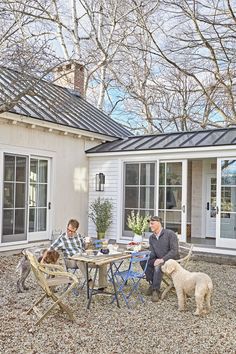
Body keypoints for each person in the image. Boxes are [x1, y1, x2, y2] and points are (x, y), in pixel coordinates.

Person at [42, 219, 107, 290]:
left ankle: (102, 286)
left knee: (102, 263)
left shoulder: (79, 236)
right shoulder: (62, 238)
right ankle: (90, 282)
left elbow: (85, 247)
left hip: (84, 258)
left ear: (76, 230)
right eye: (68, 230)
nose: (69, 232)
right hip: (71, 261)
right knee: (79, 261)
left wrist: (88, 244)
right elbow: (49, 249)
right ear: (67, 227)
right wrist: (42, 261)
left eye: (72, 231)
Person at [142, 216, 180, 302]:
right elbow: (152, 253)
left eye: (152, 223)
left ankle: (156, 290)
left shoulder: (170, 234)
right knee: (143, 262)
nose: (150, 225)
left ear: (158, 223)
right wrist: (145, 256)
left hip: (171, 260)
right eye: (149, 224)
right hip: (159, 259)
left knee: (158, 266)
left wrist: (162, 259)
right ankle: (152, 283)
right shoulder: (151, 237)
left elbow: (174, 251)